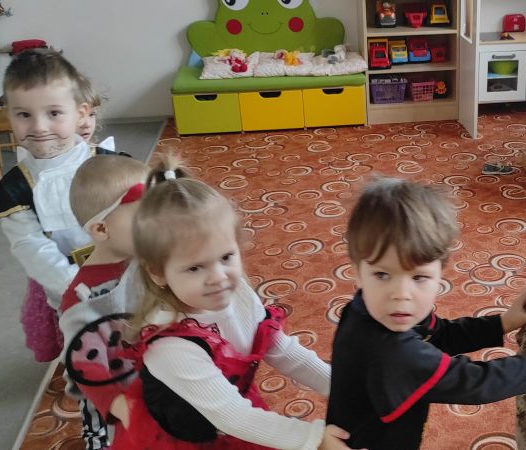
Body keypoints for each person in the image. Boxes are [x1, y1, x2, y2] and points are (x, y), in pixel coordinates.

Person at [326, 178, 526, 450]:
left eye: (418, 278)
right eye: (382, 275)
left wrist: (501, 323)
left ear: (440, 275)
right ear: (358, 274)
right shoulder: (393, 353)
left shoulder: (366, 308)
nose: (400, 294)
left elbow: (440, 334)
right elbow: (477, 382)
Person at [110, 155, 352, 450]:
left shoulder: (238, 295)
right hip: (191, 437)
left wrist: (342, 389)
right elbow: (232, 416)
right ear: (157, 272)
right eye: (195, 268)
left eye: (226, 257)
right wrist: (315, 439)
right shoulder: (169, 347)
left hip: (227, 407)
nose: (218, 277)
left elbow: (283, 350)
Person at [0, 48, 109, 363]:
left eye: (53, 113)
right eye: (24, 115)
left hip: (126, 276)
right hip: (69, 290)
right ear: (9, 115)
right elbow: (29, 245)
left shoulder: (107, 162)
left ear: (80, 113)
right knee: (91, 355)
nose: (39, 127)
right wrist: (74, 286)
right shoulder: (16, 187)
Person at [58, 154, 150, 449]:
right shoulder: (82, 299)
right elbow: (86, 370)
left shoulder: (145, 259)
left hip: (156, 379)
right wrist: (122, 408)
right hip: (117, 400)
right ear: (101, 229)